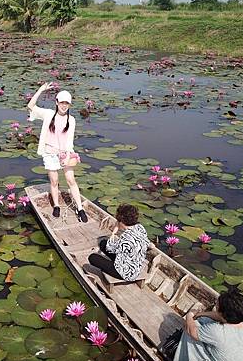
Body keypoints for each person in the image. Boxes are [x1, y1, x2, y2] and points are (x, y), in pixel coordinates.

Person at [27, 82, 87, 222]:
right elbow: (31, 106)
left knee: (70, 179)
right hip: (50, 153)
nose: (64, 105)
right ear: (56, 102)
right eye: (62, 102)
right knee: (54, 181)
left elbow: (69, 141)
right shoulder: (48, 114)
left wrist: (66, 157)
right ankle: (57, 206)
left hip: (64, 153)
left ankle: (80, 208)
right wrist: (41, 89)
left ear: (70, 105)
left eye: (67, 103)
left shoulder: (71, 120)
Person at [87, 204, 152, 280]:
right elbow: (147, 242)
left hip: (126, 273)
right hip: (135, 267)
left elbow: (109, 248)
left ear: (121, 221)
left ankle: (112, 269)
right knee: (103, 243)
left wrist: (114, 233)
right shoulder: (140, 227)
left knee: (92, 257)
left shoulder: (125, 238)